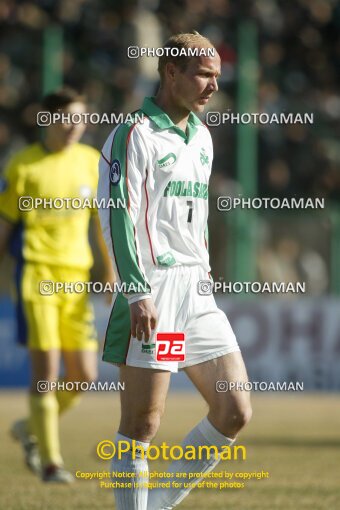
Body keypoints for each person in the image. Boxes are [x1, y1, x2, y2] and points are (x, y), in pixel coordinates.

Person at [97, 32, 252, 509]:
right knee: (143, 426)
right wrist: (137, 290)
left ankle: (157, 505)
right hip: (154, 290)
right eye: (203, 75)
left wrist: (204, 272)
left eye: (217, 78)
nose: (212, 87)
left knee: (234, 409)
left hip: (195, 291)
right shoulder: (135, 134)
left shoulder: (201, 137)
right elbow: (118, 213)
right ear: (171, 73)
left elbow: (196, 216)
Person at [0, 87, 113, 483]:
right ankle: (50, 463)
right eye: (66, 118)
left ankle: (29, 429)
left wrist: (110, 270)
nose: (74, 126)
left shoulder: (90, 163)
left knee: (84, 376)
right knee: (46, 372)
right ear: (47, 120)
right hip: (37, 276)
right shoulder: (23, 166)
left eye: (80, 118)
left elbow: (103, 223)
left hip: (77, 282)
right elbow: (5, 225)